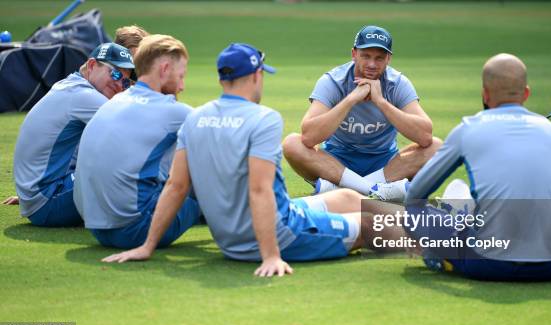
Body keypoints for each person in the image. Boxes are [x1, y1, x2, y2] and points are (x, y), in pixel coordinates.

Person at [102, 43, 402, 277]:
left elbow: (176, 186)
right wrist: (271, 254)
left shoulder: (196, 118)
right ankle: (445, 238)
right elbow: (260, 190)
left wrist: (148, 246)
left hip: (233, 236)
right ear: (256, 75)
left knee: (347, 197)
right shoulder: (264, 119)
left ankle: (428, 216)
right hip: (278, 234)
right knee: (368, 226)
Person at [396, 53, 551, 282]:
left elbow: (415, 196)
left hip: (488, 265)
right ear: (526, 92)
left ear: (485, 94)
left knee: (411, 215)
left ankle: (445, 254)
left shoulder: (468, 129)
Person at [282, 25, 441, 202]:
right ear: (354, 54)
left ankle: (342, 190)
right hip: (336, 163)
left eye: (379, 58)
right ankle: (375, 190)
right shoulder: (333, 81)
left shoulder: (398, 83)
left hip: (385, 164)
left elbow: (425, 136)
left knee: (437, 148)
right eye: (366, 56)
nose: (372, 64)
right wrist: (351, 99)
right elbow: (309, 136)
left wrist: (381, 102)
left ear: (388, 59)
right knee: (292, 143)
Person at [73, 34, 200, 248]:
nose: (182, 86)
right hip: (136, 229)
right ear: (164, 68)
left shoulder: (113, 102)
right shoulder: (172, 111)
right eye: (181, 76)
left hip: (97, 229)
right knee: (209, 165)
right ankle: (253, 231)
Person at [8, 43, 134, 227]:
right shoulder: (83, 96)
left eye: (125, 81)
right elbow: (136, 131)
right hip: (47, 202)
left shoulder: (69, 85)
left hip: (39, 196)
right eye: (115, 74)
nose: (119, 85)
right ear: (92, 65)